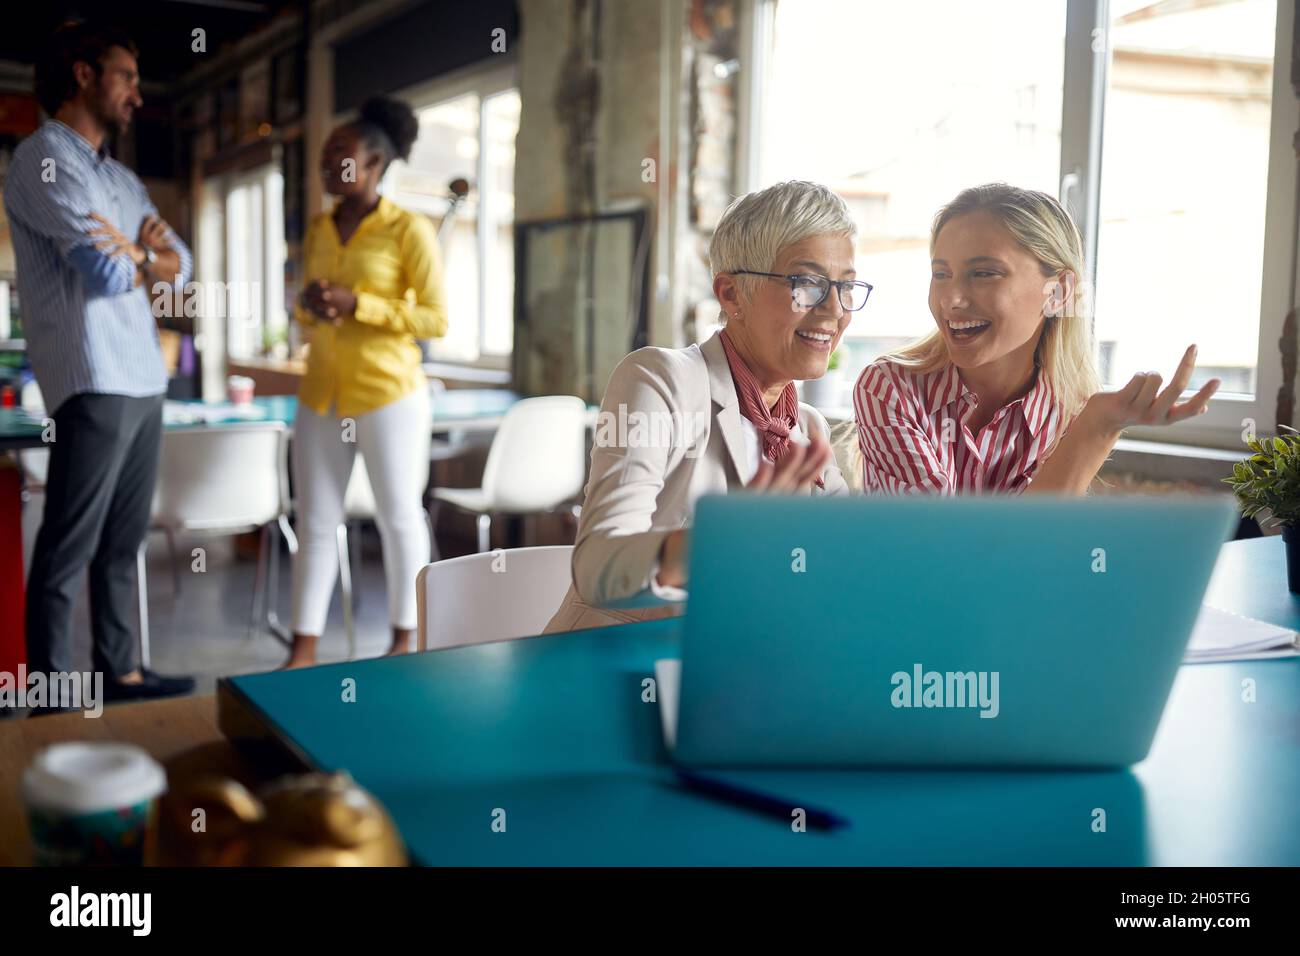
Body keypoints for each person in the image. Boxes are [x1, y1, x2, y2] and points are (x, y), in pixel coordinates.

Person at [544, 180, 865, 633]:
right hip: (610, 666)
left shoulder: (805, 428)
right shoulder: (659, 380)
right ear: (732, 294)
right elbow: (600, 569)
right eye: (806, 284)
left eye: (846, 287)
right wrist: (725, 539)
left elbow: (841, 569)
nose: (834, 310)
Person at [4, 21, 195, 706]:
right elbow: (105, 271)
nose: (139, 95)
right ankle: (53, 699)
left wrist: (141, 253)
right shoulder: (41, 161)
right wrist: (140, 258)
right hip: (92, 381)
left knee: (121, 545)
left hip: (142, 378)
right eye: (126, 77)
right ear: (83, 75)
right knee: (66, 549)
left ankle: (122, 675)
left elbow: (181, 264)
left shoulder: (118, 178)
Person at [854, 183, 1219, 495]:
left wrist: (1097, 424)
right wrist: (1094, 430)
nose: (952, 299)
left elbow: (1029, 557)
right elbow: (945, 554)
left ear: (1058, 292)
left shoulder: (1069, 410)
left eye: (983, 273)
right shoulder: (888, 389)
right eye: (941, 273)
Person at [285, 96, 449, 668]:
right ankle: (302, 649)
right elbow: (306, 313)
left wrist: (363, 305)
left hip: (389, 396)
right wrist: (309, 306)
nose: (328, 162)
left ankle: (405, 641)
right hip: (320, 396)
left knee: (399, 517)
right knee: (314, 522)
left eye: (341, 153)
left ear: (376, 162)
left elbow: (435, 318)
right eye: (326, 154)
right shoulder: (318, 229)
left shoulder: (409, 230)